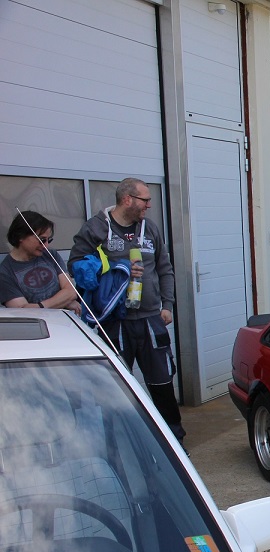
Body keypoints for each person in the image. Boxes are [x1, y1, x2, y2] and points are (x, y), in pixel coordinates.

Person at [68, 178, 185, 443]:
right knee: (117, 385)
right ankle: (118, 443)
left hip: (150, 320)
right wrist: (115, 268)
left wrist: (167, 305)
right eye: (145, 200)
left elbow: (165, 269)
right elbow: (77, 267)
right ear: (127, 199)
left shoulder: (150, 228)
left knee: (162, 382)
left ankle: (175, 440)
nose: (149, 205)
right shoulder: (96, 228)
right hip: (115, 322)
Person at [1, 211, 80, 312]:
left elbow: (71, 291)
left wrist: (40, 306)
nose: (46, 245)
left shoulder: (50, 254)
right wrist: (62, 302)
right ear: (21, 236)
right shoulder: (5, 273)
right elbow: (24, 313)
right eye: (42, 240)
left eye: (48, 240)